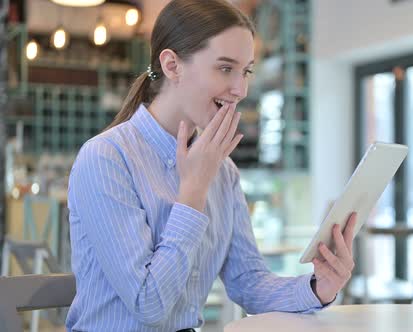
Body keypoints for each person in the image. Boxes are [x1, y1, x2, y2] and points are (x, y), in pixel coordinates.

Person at [66, 0, 357, 331]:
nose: (240, 89)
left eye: (246, 71)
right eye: (225, 68)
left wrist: (319, 287)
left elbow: (248, 281)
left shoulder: (224, 171)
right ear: (172, 65)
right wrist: (193, 190)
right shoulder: (106, 159)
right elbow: (148, 305)